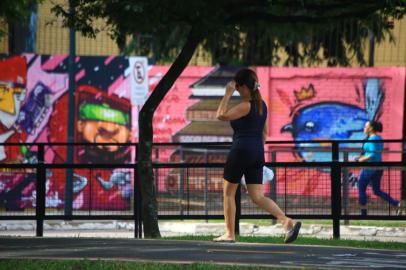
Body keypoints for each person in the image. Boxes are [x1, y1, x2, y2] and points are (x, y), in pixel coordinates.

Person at [213, 68, 301, 243]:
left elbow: (220, 115)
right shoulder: (263, 106)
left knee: (228, 193)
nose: (237, 91)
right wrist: (254, 153)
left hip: (240, 150)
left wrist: (227, 93)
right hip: (257, 152)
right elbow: (265, 134)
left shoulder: (246, 105)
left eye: (238, 88)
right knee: (257, 196)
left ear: (245, 87)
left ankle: (229, 234)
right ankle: (285, 220)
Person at [354, 120, 402, 216]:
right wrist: (359, 157)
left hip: (369, 168)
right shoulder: (379, 138)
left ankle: (363, 215)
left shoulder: (372, 140)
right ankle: (396, 203)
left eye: (365, 126)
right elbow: (372, 153)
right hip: (378, 168)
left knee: (361, 188)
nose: (363, 128)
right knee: (377, 190)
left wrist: (361, 160)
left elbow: (371, 154)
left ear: (371, 128)